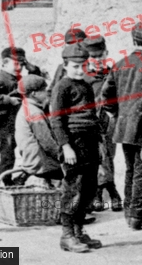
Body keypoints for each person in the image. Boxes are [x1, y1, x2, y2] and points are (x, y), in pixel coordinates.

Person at [100, 21, 142, 229]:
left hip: (124, 128)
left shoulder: (120, 64)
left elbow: (106, 96)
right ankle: (138, 215)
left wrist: (117, 115)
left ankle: (130, 212)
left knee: (130, 170)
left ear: (133, 39)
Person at [50, 43, 103, 253]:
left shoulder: (87, 85)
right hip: (74, 143)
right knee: (73, 188)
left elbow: (92, 117)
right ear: (65, 65)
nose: (80, 70)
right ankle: (67, 235)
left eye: (83, 65)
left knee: (89, 188)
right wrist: (66, 146)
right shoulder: (62, 86)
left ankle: (79, 231)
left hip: (90, 142)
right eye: (75, 66)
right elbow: (56, 120)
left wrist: (99, 143)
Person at [0, 47, 42, 186]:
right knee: (7, 154)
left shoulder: (19, 78)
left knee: (29, 150)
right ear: (4, 64)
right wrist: (9, 100)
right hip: (5, 123)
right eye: (16, 64)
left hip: (19, 122)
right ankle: (4, 182)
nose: (19, 67)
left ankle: (20, 178)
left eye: (21, 64)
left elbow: (35, 79)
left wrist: (30, 66)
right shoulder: (1, 80)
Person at [82, 36, 122, 212]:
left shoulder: (113, 73)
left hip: (110, 121)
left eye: (100, 56)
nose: (97, 60)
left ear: (106, 54)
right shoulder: (84, 78)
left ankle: (103, 192)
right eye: (93, 57)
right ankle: (109, 192)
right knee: (96, 157)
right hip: (90, 123)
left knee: (108, 156)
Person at [14, 75, 62, 183]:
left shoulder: (26, 108)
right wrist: (63, 156)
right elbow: (47, 142)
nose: (46, 93)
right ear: (34, 94)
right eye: (43, 90)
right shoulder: (35, 113)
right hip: (40, 164)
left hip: (31, 160)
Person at [48, 27, 87, 95]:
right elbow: (52, 89)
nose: (76, 45)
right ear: (65, 45)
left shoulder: (92, 67)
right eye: (71, 42)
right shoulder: (61, 67)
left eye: (80, 42)